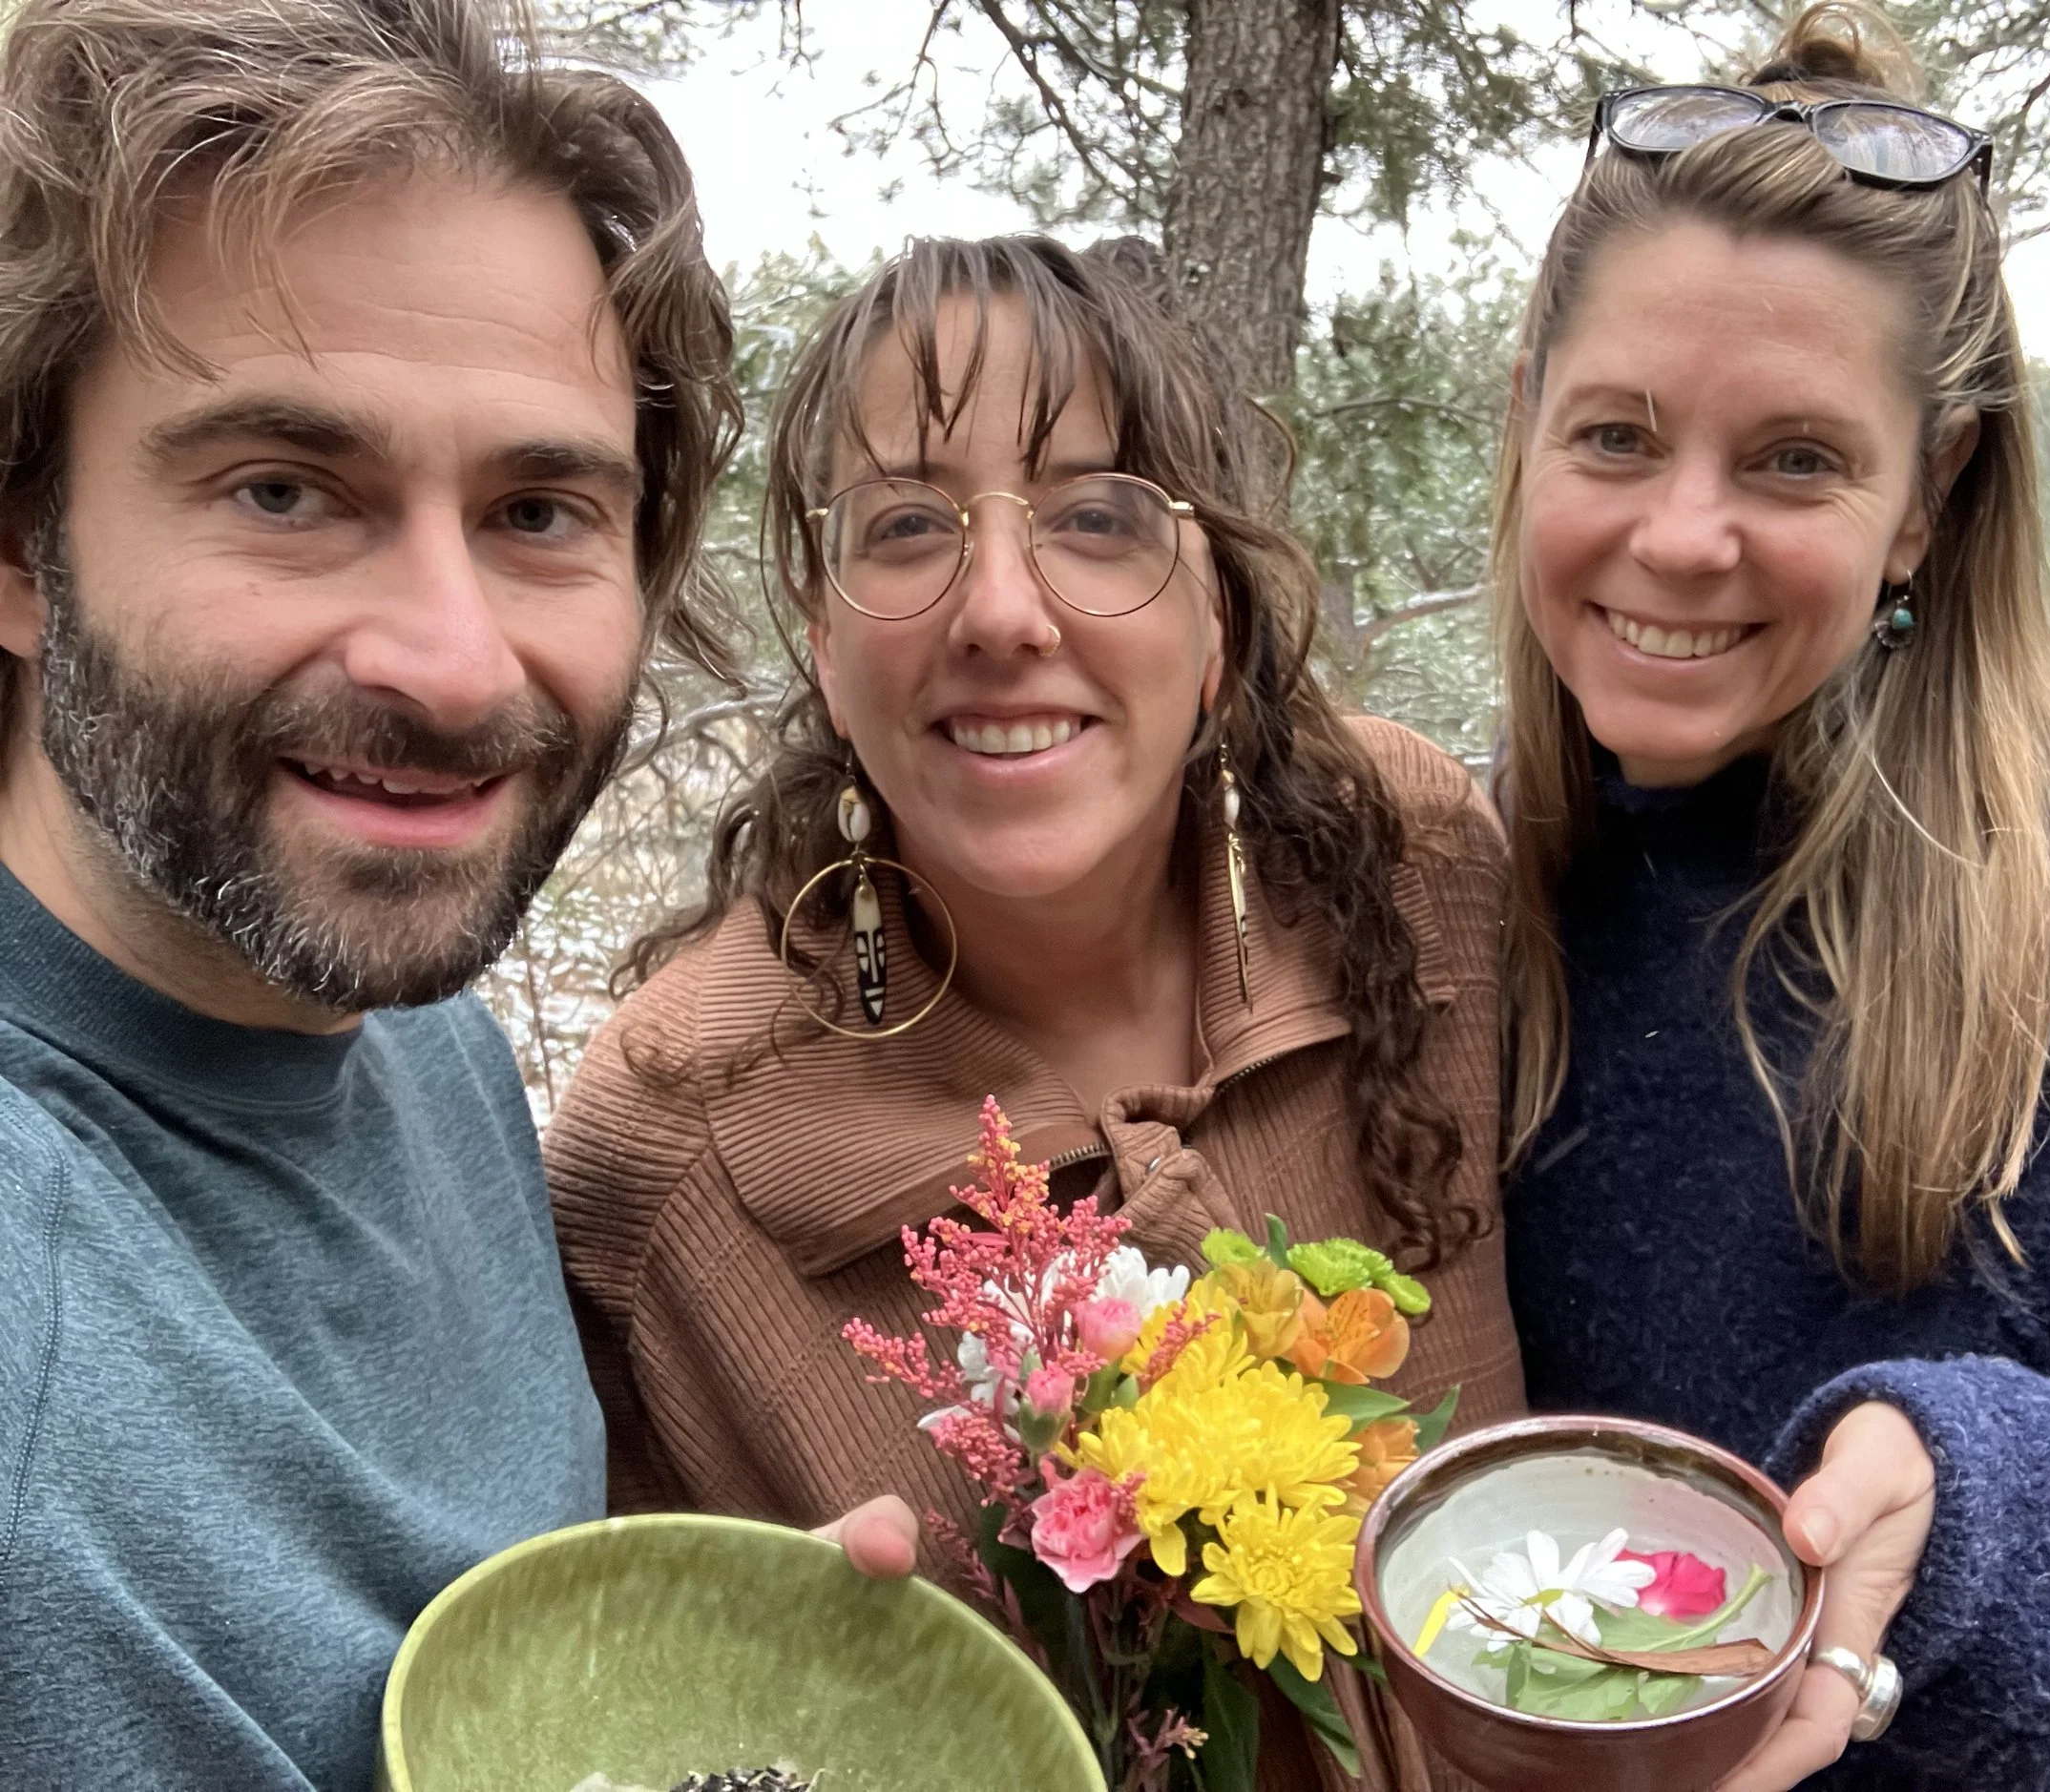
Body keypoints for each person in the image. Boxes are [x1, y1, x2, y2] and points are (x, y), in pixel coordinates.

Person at [0, 1, 905, 1782]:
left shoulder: (426, 1044)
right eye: (286, 488)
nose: (452, 661)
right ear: (24, 549)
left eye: (540, 511)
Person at [1494, 6, 2050, 1789]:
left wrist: (1973, 1525)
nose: (1682, 533)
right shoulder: (1461, 892)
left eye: (1796, 461)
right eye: (1615, 435)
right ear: (1524, 433)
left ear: (1932, 495)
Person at [544, 233, 1528, 1790]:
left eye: (1097, 515)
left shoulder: (1411, 878)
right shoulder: (671, 1155)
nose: (1001, 608)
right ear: (820, 627)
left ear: (1218, 615)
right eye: (909, 524)